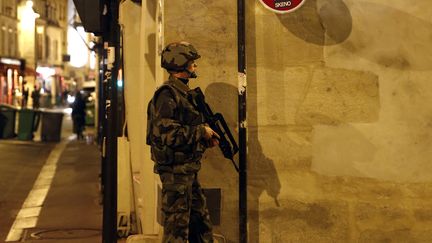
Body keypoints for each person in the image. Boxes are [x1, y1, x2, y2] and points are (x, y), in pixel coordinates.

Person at [147, 42, 219, 243]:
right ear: (180, 65)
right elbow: (169, 135)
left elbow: (183, 130)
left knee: (201, 227)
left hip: (187, 171)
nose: (194, 67)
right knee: (177, 231)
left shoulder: (183, 93)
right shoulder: (167, 95)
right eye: (191, 63)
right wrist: (200, 132)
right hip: (175, 174)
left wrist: (203, 139)